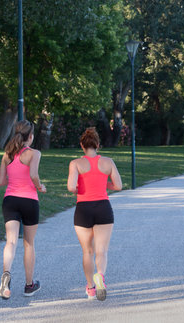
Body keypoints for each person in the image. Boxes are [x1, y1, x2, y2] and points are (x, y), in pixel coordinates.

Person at [67, 128, 122, 301]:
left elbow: (71, 187)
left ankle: (90, 288)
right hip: (103, 208)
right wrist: (104, 185)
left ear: (82, 146)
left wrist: (82, 188)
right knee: (101, 250)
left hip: (83, 208)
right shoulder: (108, 162)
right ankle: (101, 276)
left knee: (87, 251)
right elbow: (118, 186)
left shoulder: (75, 163)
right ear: (98, 145)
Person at [0, 120, 46, 300]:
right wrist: (40, 186)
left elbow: (2, 182)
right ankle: (29, 285)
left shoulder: (7, 154)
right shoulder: (34, 153)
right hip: (29, 201)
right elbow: (34, 175)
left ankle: (6, 275)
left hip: (10, 200)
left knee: (10, 241)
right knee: (29, 243)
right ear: (31, 136)